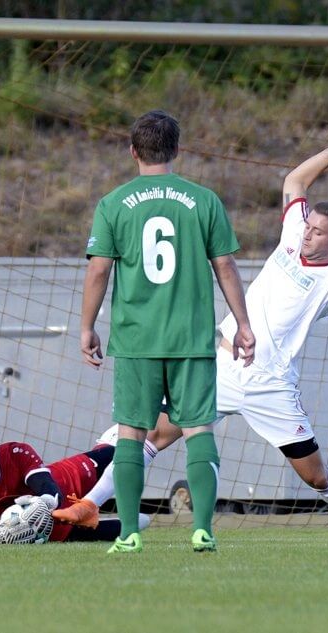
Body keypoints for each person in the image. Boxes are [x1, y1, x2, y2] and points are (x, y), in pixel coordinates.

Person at [63, 131, 328, 545]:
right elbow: (295, 182)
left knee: (314, 476)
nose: (307, 233)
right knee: (152, 435)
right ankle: (91, 505)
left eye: (317, 232)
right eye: (308, 225)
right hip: (223, 366)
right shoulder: (291, 236)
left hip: (271, 385)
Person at [81, 110, 255, 554]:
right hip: (191, 339)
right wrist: (243, 324)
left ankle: (128, 534)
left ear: (133, 151)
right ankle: (202, 529)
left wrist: (87, 326)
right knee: (198, 430)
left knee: (131, 435)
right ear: (177, 150)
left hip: (136, 340)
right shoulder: (204, 200)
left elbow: (99, 270)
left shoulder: (114, 202)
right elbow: (225, 266)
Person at [0, 416, 150, 545]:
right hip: (59, 529)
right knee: (136, 525)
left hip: (70, 478)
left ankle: (109, 441)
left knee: (129, 452)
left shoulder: (15, 452)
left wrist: (41, 506)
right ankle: (88, 517)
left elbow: (49, 489)